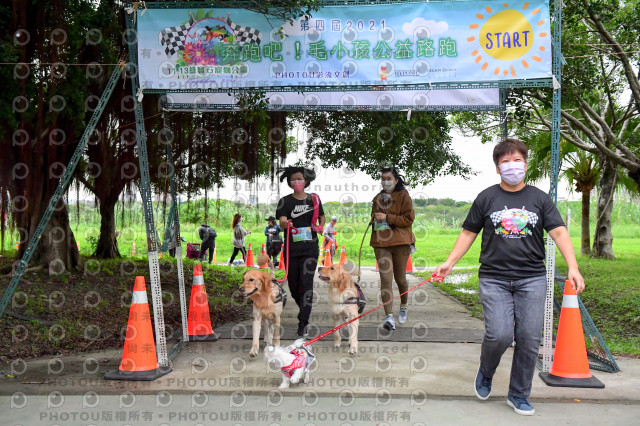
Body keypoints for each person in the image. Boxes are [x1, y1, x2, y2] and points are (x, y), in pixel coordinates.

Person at [434, 138, 585, 416]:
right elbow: (469, 232)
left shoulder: (539, 199)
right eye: (505, 161)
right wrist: (449, 263)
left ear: (525, 165)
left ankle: (518, 394)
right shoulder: (487, 197)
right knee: (499, 334)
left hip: (532, 278)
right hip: (494, 278)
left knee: (528, 338)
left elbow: (559, 232)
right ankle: (487, 370)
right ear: (497, 168)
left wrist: (573, 267)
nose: (512, 166)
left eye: (517, 160)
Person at [275, 166, 325, 338]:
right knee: (294, 285)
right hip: (291, 249)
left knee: (307, 283)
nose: (297, 182)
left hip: (310, 248)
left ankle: (303, 321)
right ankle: (303, 307)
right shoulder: (285, 201)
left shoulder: (314, 200)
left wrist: (320, 226)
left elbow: (322, 216)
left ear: (306, 181)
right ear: (289, 182)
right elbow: (281, 220)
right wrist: (285, 224)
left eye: (300, 179)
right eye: (293, 179)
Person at [370, 167, 415, 331]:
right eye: (383, 178)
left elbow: (408, 219)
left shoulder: (404, 196)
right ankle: (389, 316)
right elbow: (374, 218)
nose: (385, 181)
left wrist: (388, 217)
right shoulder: (377, 198)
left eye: (389, 178)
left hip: (400, 242)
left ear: (396, 180)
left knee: (400, 279)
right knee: (385, 279)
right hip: (381, 243)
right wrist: (375, 219)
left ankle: (403, 306)